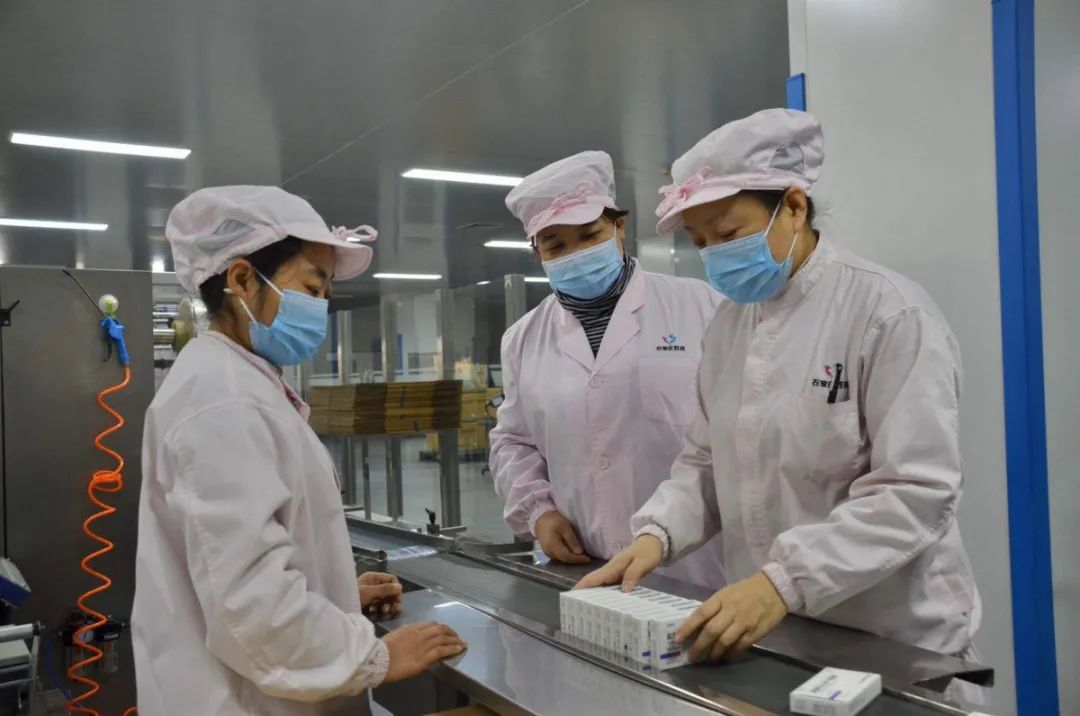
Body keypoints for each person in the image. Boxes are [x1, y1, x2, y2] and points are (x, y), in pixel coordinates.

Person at [579, 109, 981, 664]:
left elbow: (915, 489)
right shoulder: (728, 326)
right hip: (775, 630)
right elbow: (705, 461)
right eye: (700, 240)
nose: (714, 254)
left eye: (728, 234)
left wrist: (783, 581)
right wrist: (656, 535)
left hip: (893, 635)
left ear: (793, 206)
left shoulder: (888, 313)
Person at [132, 186, 465, 715]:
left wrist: (335, 593)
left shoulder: (241, 383)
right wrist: (375, 656)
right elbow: (252, 610)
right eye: (312, 287)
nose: (321, 307)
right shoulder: (222, 402)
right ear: (242, 279)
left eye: (326, 291)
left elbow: (238, 560)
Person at [490, 151, 726, 589]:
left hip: (698, 566)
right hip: (587, 564)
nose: (576, 254)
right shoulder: (522, 339)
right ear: (536, 252)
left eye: (589, 235)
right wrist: (537, 511)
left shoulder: (703, 306)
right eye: (556, 245)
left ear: (619, 227)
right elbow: (513, 441)